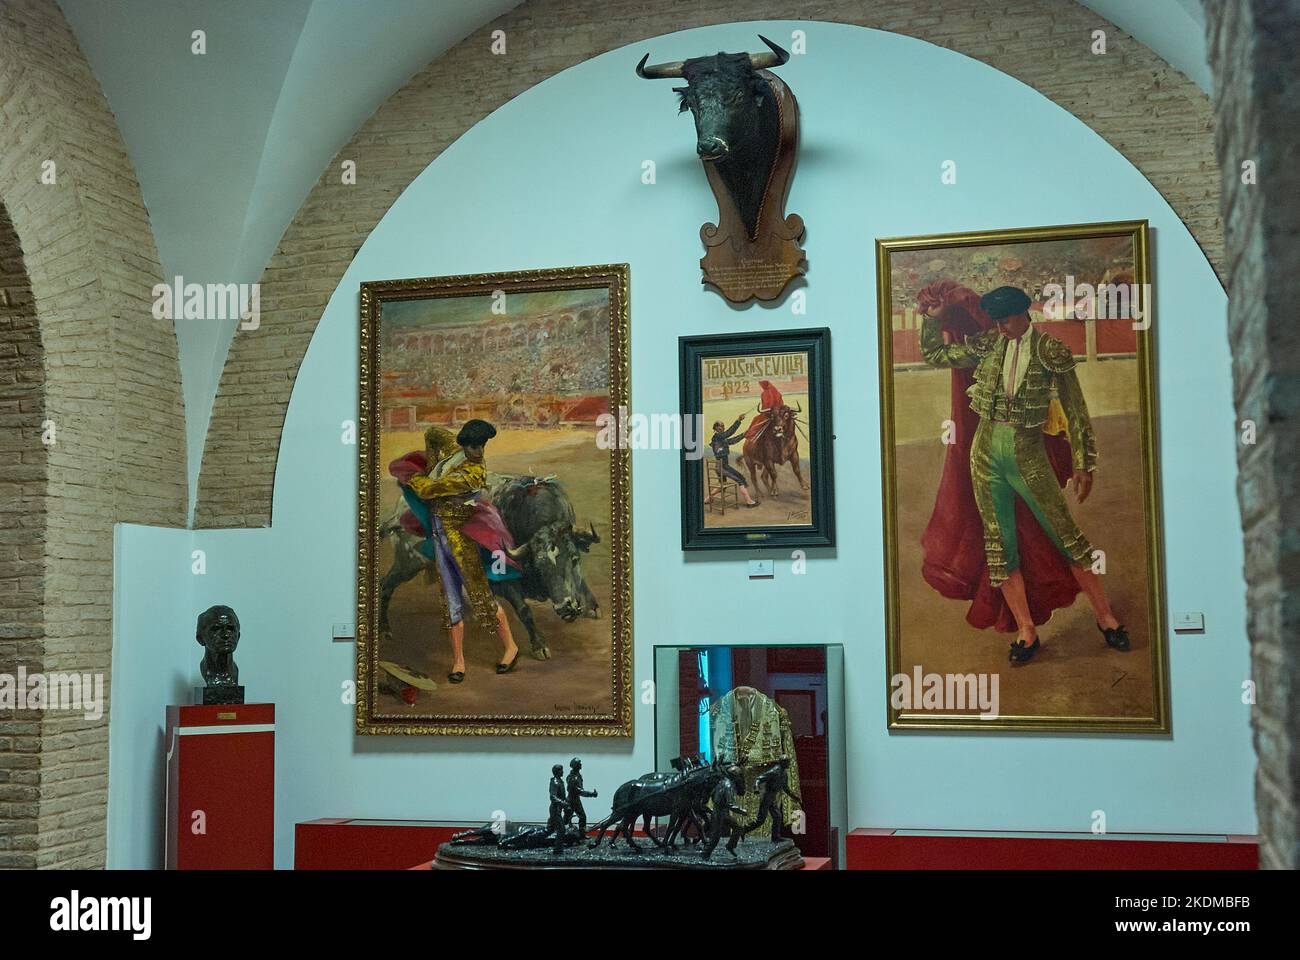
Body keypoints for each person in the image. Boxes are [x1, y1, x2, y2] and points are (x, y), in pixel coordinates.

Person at [919, 285, 1129, 664]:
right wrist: (930, 322)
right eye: (996, 320)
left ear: (1024, 315)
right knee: (1000, 544)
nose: (1000, 327)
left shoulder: (1050, 351)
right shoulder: (988, 345)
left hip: (1027, 453)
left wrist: (1084, 463)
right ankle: (1026, 629)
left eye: (1006, 320)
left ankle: (1107, 618)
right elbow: (936, 354)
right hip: (985, 452)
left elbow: (1076, 410)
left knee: (1066, 535)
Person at [402, 419, 520, 682]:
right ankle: (458, 661)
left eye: (483, 446)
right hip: (439, 534)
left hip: (460, 538)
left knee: (480, 594)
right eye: (475, 446)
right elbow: (432, 430)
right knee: (451, 599)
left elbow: (427, 489)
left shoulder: (474, 473)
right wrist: (433, 464)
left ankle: (511, 647)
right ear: (463, 443)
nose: (479, 452)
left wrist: (421, 476)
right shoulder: (452, 449)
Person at [744, 755, 801, 843]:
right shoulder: (774, 771)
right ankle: (743, 830)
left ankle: (775, 837)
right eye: (788, 762)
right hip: (766, 797)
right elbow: (759, 779)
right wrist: (756, 788)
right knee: (760, 820)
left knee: (777, 816)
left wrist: (794, 797)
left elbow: (786, 788)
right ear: (783, 763)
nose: (789, 764)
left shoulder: (784, 773)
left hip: (772, 797)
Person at [705, 415, 759, 507]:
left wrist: (743, 434)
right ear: (716, 428)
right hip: (723, 467)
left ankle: (707, 499)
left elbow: (733, 440)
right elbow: (730, 432)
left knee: (722, 484)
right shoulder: (718, 437)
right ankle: (749, 502)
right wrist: (738, 420)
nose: (723, 427)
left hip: (720, 467)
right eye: (721, 426)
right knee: (741, 479)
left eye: (723, 426)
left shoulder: (720, 438)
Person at [565, 757, 598, 835]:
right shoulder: (573, 778)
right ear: (575, 765)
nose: (581, 764)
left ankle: (582, 834)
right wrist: (591, 794)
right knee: (566, 819)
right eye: (579, 763)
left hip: (575, 800)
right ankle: (560, 834)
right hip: (571, 801)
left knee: (582, 817)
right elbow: (579, 791)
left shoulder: (577, 775)